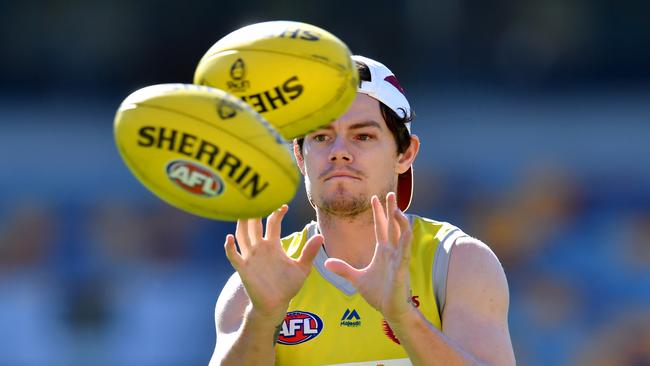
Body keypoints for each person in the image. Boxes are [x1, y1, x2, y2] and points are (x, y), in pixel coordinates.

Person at [209, 55, 515, 365]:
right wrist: (264, 316)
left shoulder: (456, 262)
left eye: (363, 136)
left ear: (405, 153)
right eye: (321, 136)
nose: (339, 151)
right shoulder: (259, 280)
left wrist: (402, 317)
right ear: (300, 156)